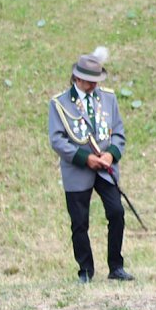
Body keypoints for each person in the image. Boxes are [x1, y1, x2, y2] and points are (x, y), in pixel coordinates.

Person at [49, 47, 133, 284]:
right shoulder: (59, 104)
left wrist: (111, 155)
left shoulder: (108, 98)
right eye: (90, 81)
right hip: (77, 170)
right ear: (77, 78)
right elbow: (57, 140)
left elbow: (118, 133)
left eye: (97, 80)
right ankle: (85, 271)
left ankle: (116, 266)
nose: (94, 85)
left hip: (105, 170)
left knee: (117, 213)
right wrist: (85, 158)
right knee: (79, 223)